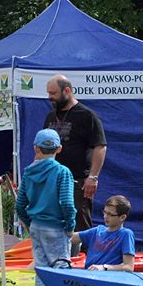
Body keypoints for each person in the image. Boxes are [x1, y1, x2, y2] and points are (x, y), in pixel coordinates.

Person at [15, 128, 76, 286]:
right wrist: (70, 225)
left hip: (37, 227)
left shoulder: (28, 172)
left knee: (42, 271)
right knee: (59, 270)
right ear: (59, 148)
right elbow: (67, 203)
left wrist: (30, 222)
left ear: (35, 148)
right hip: (56, 227)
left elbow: (19, 204)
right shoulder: (62, 172)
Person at [44, 74, 107, 233]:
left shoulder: (87, 115)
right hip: (53, 180)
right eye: (49, 93)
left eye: (53, 93)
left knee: (79, 224)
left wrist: (93, 177)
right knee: (55, 223)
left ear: (67, 91)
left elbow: (100, 146)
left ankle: (85, 256)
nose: (50, 97)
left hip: (77, 181)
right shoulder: (51, 116)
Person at [72, 195, 136, 272]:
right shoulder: (97, 231)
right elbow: (70, 238)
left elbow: (129, 267)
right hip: (88, 275)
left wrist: (104, 267)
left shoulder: (126, 234)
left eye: (110, 214)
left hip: (107, 278)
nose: (105, 216)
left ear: (122, 217)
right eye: (105, 212)